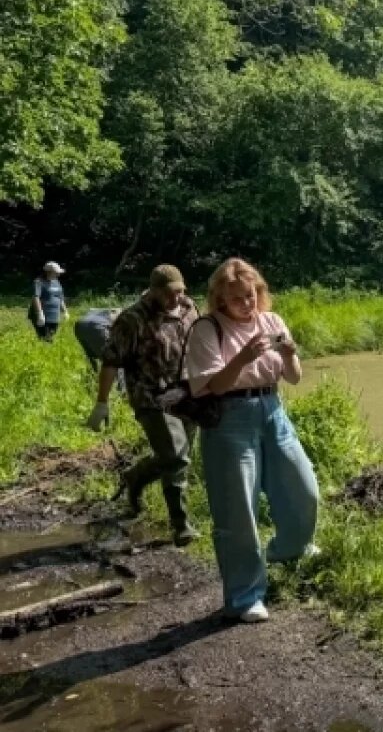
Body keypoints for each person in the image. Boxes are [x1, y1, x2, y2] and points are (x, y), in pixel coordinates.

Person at [185, 257, 319, 624]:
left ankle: (288, 550)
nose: (246, 304)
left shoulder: (272, 321)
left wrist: (290, 352)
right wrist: (243, 357)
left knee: (302, 487)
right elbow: (214, 386)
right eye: (236, 298)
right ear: (220, 299)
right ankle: (245, 597)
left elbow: (293, 378)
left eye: (250, 294)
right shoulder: (206, 329)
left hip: (273, 410)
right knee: (237, 510)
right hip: (229, 418)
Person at [88, 265, 200, 547]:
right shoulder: (132, 320)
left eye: (180, 291)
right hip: (151, 397)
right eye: (169, 293)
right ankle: (182, 526)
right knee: (175, 457)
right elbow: (112, 361)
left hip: (186, 394)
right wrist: (102, 402)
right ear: (154, 291)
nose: (176, 298)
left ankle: (135, 477)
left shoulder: (189, 308)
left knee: (178, 454)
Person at [30, 262, 68, 341]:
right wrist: (40, 314)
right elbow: (36, 298)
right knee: (45, 339)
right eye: (56, 273)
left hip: (54, 316)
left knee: (51, 336)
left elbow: (60, 298)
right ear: (48, 272)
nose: (58, 275)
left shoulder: (57, 282)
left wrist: (65, 311)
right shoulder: (39, 282)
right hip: (43, 315)